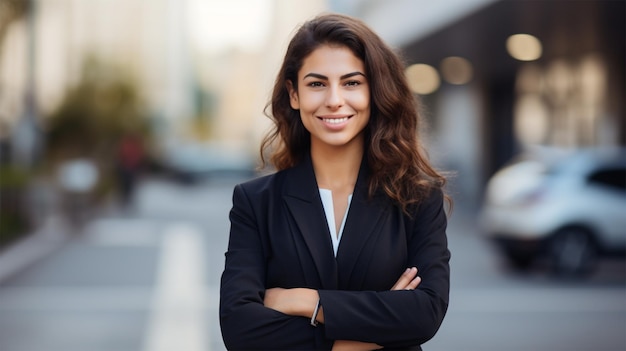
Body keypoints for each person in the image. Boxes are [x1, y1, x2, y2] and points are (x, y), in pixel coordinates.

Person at [220, 13, 451, 351]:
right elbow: (240, 330)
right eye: (317, 83)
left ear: (374, 91)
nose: (334, 100)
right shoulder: (255, 202)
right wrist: (375, 332)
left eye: (352, 82)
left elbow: (425, 312)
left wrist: (307, 302)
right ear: (294, 94)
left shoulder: (416, 198)